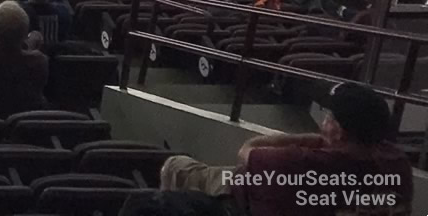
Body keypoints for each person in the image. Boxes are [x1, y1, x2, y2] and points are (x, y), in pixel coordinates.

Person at [158, 80, 410, 213]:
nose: (323, 121)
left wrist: (297, 139)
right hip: (275, 188)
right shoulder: (397, 165)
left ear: (338, 132)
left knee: (176, 166)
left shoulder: (296, 162)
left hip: (244, 191)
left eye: (328, 117)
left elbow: (247, 151)